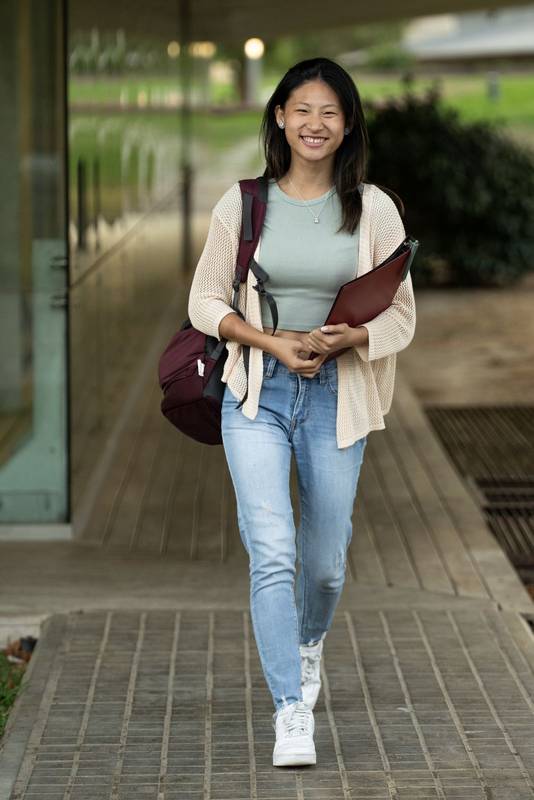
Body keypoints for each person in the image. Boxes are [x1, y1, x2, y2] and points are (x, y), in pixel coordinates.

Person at [188, 57, 416, 767]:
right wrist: (267, 343)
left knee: (323, 564)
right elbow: (203, 301)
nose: (315, 123)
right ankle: (290, 707)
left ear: (347, 126)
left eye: (330, 112)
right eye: (302, 109)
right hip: (258, 392)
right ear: (280, 118)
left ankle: (308, 642)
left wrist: (354, 336)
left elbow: (402, 317)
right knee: (273, 552)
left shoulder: (373, 209)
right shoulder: (244, 203)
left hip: (338, 398)